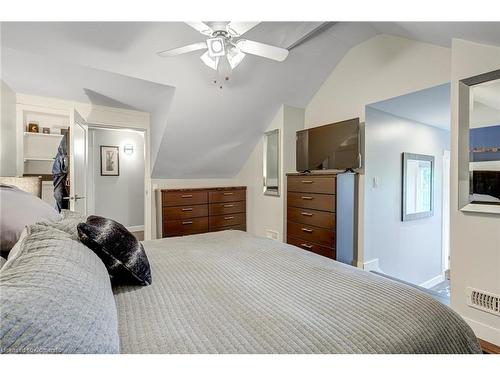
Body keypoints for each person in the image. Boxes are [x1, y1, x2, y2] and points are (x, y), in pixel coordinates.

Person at [52, 133, 69, 212]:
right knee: (58, 195)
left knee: (61, 196)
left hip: (62, 173)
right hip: (59, 173)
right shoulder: (67, 136)